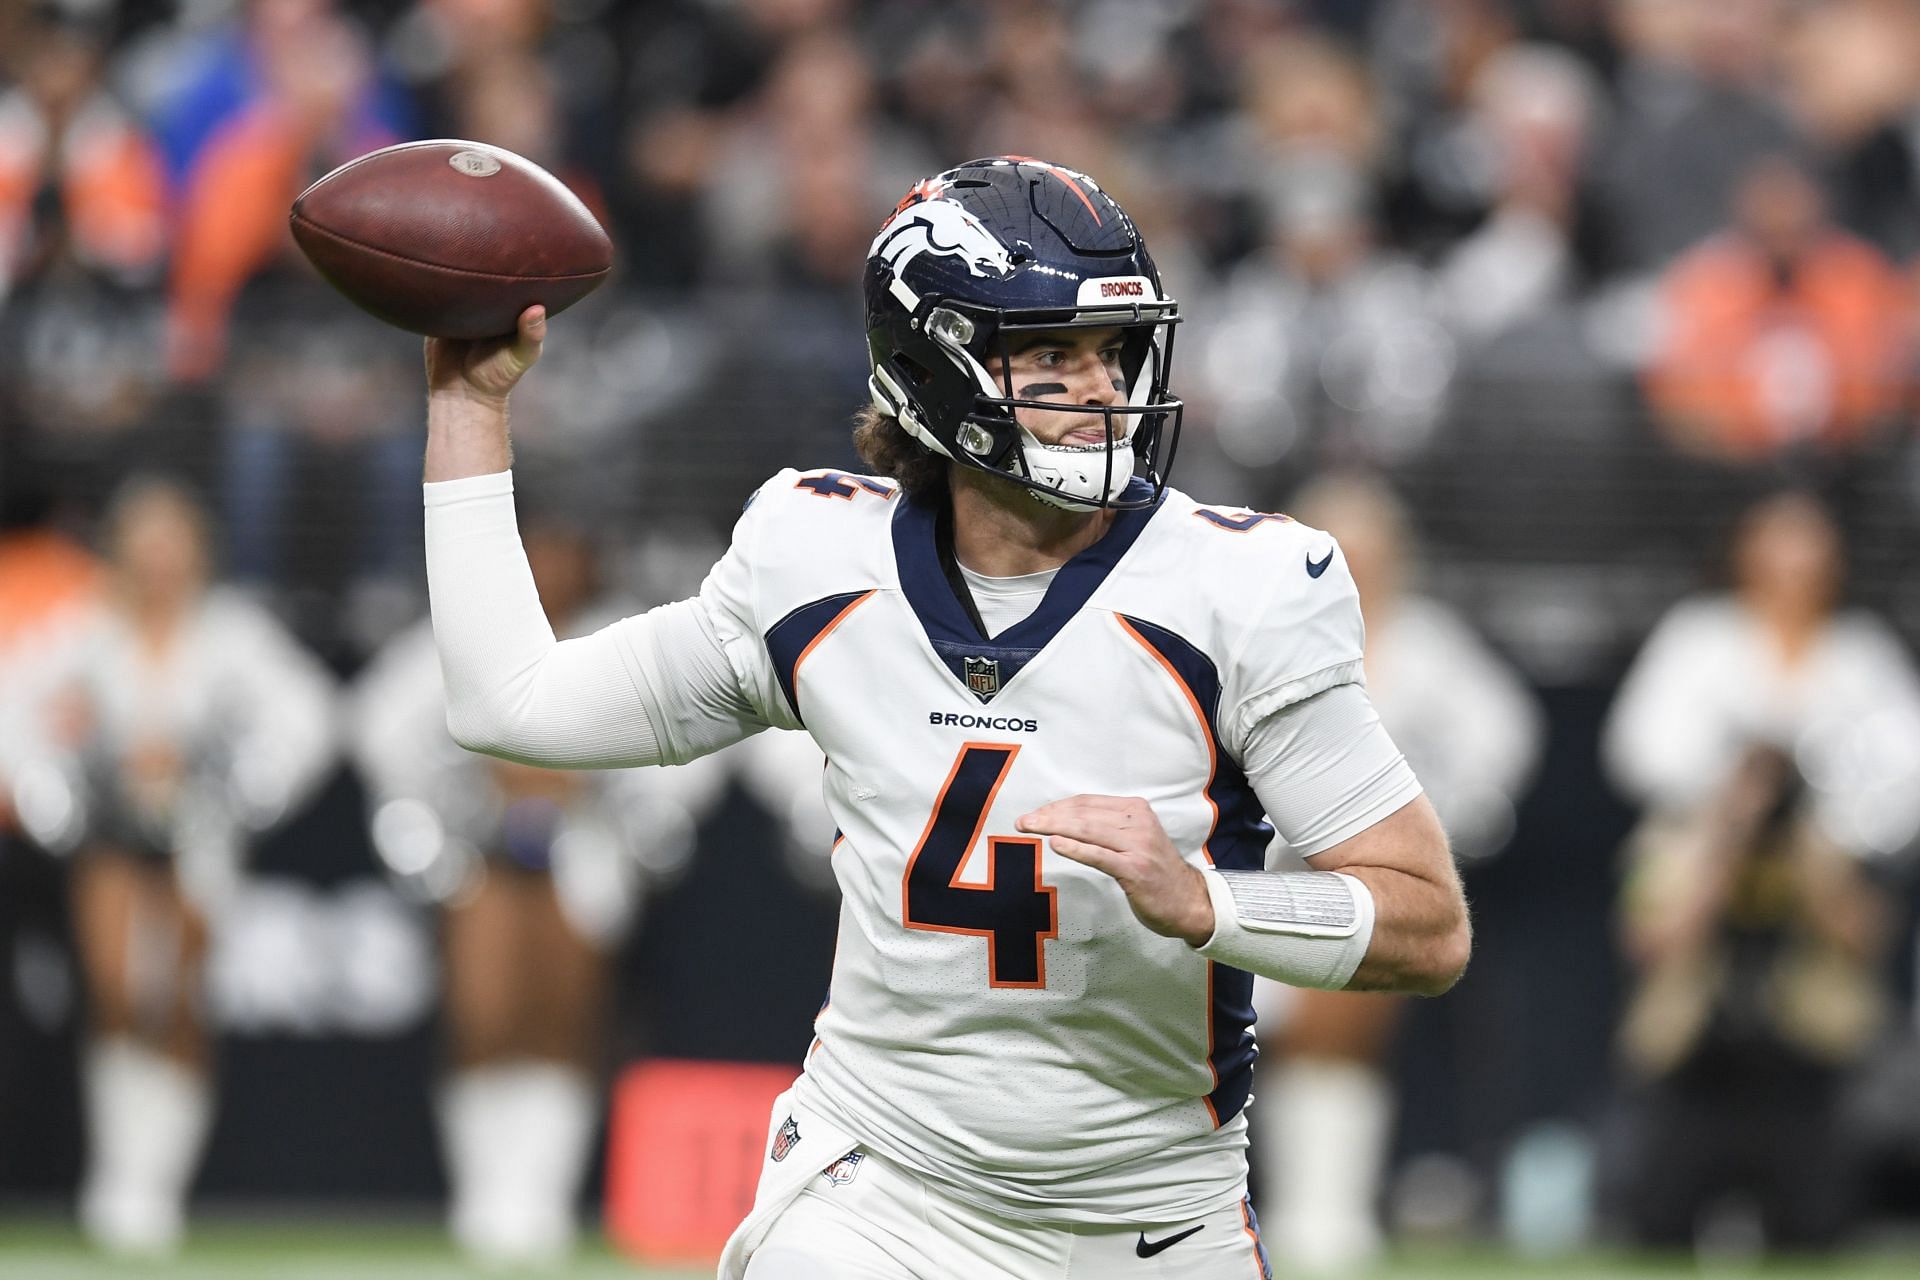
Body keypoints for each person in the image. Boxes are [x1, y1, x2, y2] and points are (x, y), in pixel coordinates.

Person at [419, 156, 1470, 1279]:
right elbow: (512, 702)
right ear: (934, 361)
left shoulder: (1243, 589)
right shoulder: (814, 555)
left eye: (1113, 351)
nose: (1102, 387)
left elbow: (1428, 922)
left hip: (1153, 1219)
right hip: (880, 1191)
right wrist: (467, 404)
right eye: (1050, 353)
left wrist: (1206, 899)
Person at [349, 514, 744, 1266]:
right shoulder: (468, 636)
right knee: (484, 1017)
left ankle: (542, 1195)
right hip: (484, 857)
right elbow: (378, 725)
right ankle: (483, 1192)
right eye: (537, 550)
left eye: (565, 551)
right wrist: (453, 803)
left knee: (564, 1022)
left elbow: (699, 742)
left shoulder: (620, 634)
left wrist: (618, 806)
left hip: (582, 856)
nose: (550, 567)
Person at [0, 476, 335, 1256]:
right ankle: (117, 1178)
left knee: (178, 1000)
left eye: (173, 542)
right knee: (119, 990)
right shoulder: (84, 629)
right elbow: (11, 702)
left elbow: (309, 717)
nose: (159, 560)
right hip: (111, 837)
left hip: (200, 838)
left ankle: (156, 1185)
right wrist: (57, 786)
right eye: (145, 543)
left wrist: (238, 784)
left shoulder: (231, 633)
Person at [1251, 473, 1542, 1274]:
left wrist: (1432, 827)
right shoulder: (1259, 632)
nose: (1355, 567)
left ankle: (1325, 1207)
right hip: (1254, 868)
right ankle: (1285, 1202)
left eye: (1371, 553)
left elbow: (1501, 742)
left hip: (1372, 878)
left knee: (1338, 1013)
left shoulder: (1431, 646)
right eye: (1337, 550)